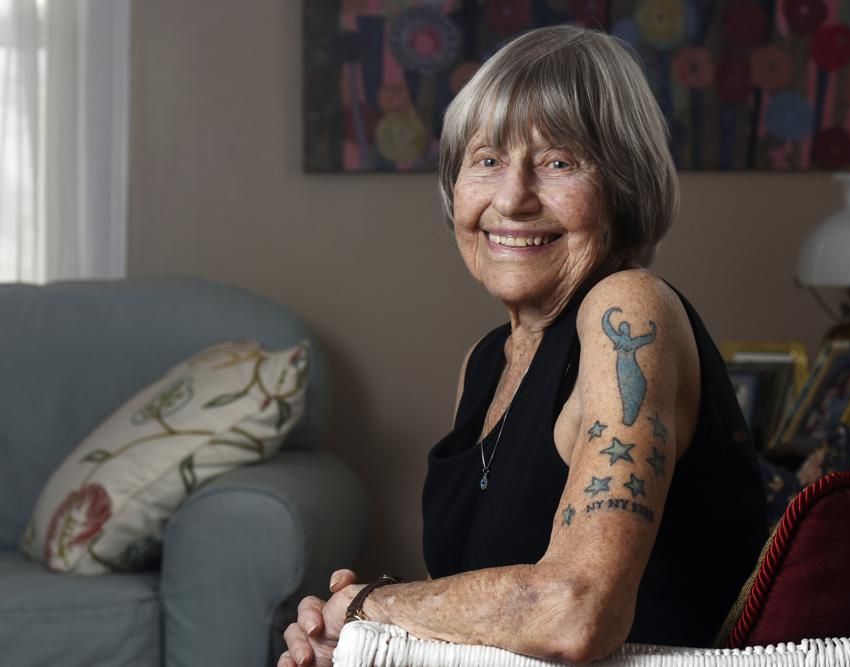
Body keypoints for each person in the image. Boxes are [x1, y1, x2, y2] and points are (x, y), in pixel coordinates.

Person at [279, 25, 767, 667]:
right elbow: (505, 619)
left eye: (558, 162)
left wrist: (374, 607)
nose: (511, 199)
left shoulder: (627, 309)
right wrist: (357, 632)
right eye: (486, 160)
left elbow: (577, 612)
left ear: (623, 186)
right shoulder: (487, 362)